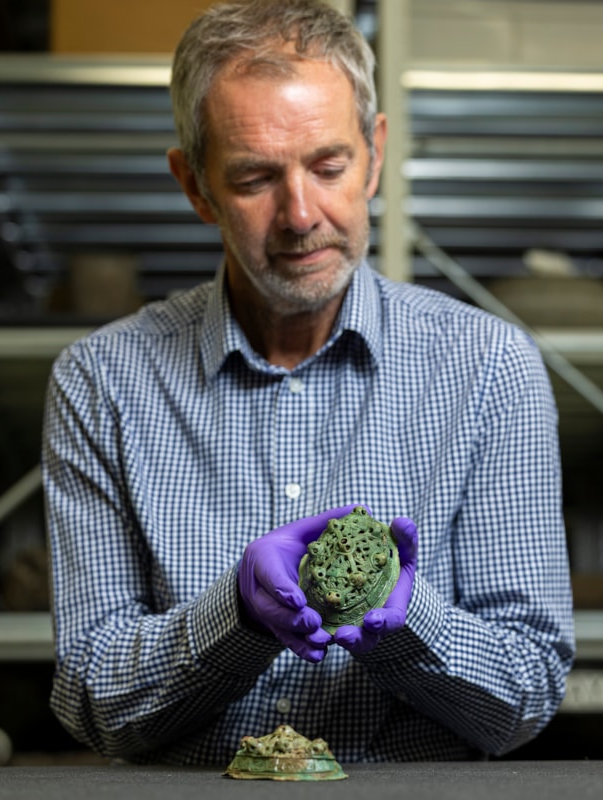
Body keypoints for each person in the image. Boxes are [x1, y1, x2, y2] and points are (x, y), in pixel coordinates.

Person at [42, 0, 574, 765]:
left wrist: (408, 622)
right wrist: (238, 618)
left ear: (376, 154)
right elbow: (94, 697)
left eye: (329, 166)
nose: (300, 214)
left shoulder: (491, 369)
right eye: (256, 177)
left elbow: (527, 691)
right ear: (195, 185)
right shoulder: (101, 385)